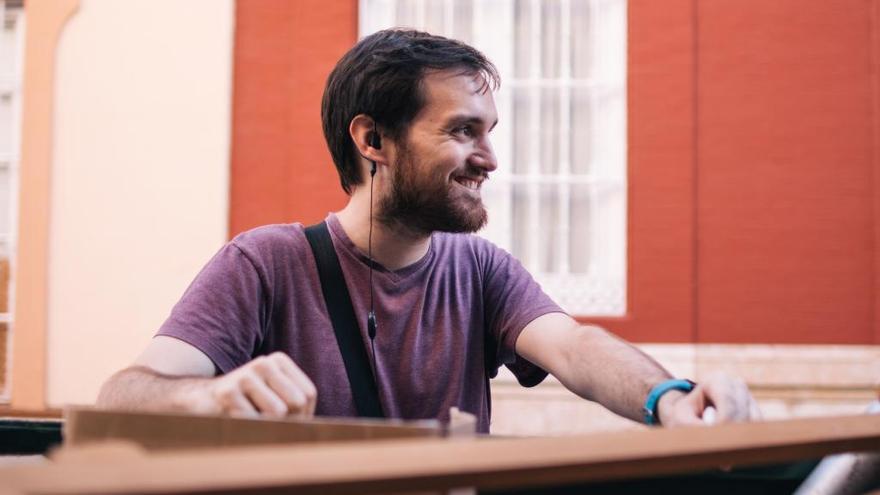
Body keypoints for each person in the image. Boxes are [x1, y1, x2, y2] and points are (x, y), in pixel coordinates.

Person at [97, 29, 758, 433]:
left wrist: (669, 399)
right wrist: (208, 397)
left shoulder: (483, 272)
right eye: (461, 130)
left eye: (489, 132)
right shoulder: (264, 263)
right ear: (373, 138)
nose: (490, 159)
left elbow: (577, 348)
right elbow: (124, 393)